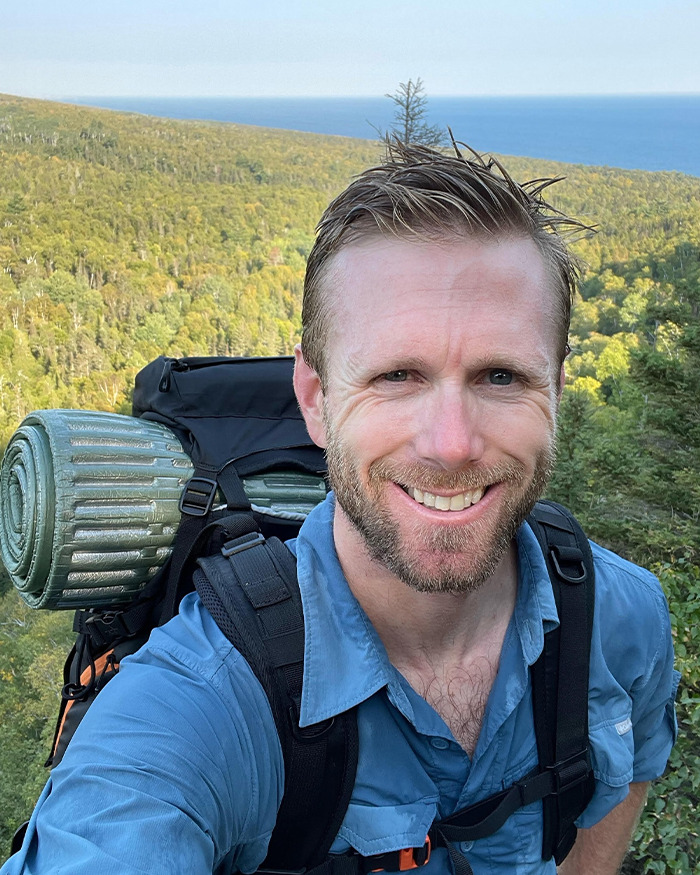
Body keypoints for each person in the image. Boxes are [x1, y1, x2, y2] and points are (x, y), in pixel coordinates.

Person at [2, 141, 678, 875]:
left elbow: (624, 778)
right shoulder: (201, 703)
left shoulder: (619, 617)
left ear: (555, 390)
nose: (451, 443)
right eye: (396, 375)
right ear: (316, 399)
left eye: (501, 374)